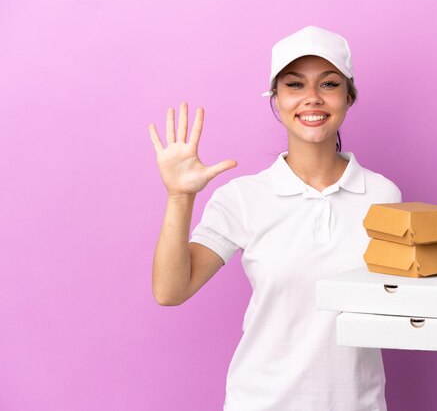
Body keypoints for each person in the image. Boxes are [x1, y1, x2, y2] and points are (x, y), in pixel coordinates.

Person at [149, 25, 402, 411]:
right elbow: (170, 291)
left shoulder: (384, 196)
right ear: (276, 98)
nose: (312, 99)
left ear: (349, 97)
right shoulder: (243, 198)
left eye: (329, 84)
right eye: (295, 85)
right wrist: (179, 197)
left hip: (358, 403)